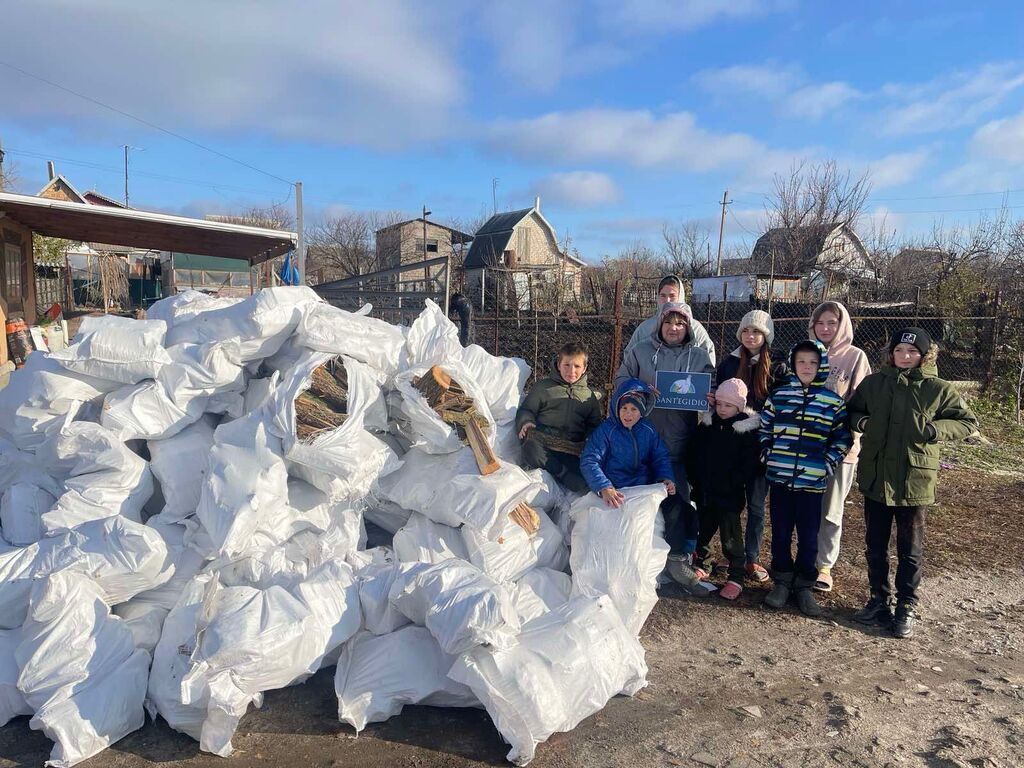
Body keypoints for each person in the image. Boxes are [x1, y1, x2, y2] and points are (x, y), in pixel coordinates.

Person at [848, 327, 978, 638]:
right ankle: (878, 600)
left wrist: (935, 430)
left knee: (910, 549)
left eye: (912, 352)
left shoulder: (937, 388)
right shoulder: (875, 384)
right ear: (891, 354)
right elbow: (852, 412)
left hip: (914, 481)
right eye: (899, 351)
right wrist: (864, 423)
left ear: (924, 356)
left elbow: (967, 422)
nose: (905, 356)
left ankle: (907, 605)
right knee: (874, 546)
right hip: (877, 478)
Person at [615, 302, 715, 587]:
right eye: (669, 322)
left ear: (688, 327)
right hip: (642, 441)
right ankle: (637, 557)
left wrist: (710, 397)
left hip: (678, 443)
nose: (674, 328)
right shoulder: (641, 351)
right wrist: (640, 388)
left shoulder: (698, 356)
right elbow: (621, 380)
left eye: (680, 323)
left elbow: (711, 386)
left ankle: (677, 560)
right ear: (660, 325)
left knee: (678, 502)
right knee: (637, 502)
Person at [760, 339, 852, 617]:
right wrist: (768, 455)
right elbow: (765, 428)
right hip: (780, 480)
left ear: (822, 365)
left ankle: (804, 585)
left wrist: (826, 464)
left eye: (813, 362)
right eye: (801, 361)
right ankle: (782, 581)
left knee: (809, 537)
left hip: (812, 483)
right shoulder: (779, 396)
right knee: (780, 533)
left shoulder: (832, 403)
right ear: (793, 364)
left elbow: (841, 439)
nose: (807, 367)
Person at [708, 309, 782, 584]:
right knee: (730, 503)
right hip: (732, 443)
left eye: (757, 332)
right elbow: (719, 397)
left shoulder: (776, 365)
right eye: (746, 331)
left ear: (766, 336)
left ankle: (752, 557)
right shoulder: (729, 363)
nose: (751, 336)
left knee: (756, 505)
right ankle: (732, 554)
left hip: (760, 442)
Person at [808, 301, 872, 593]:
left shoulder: (855, 358)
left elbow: (863, 403)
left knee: (831, 510)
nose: (825, 328)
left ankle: (824, 565)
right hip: (804, 445)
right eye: (820, 323)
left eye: (831, 323)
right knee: (804, 507)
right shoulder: (805, 352)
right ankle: (804, 558)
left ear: (842, 324)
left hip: (840, 448)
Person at [689, 378, 761, 600]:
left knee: (730, 536)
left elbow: (751, 463)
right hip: (705, 490)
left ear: (739, 407)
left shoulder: (745, 430)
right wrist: (695, 477)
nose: (722, 409)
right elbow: (694, 451)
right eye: (719, 404)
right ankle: (703, 563)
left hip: (730, 493)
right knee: (703, 529)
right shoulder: (707, 425)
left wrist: (735, 481)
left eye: (728, 405)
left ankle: (736, 574)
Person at [516, 341, 603, 493]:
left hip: (571, 449)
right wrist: (526, 422)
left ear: (584, 369)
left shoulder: (588, 396)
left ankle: (564, 473)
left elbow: (594, 424)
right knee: (530, 448)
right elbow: (527, 409)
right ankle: (563, 475)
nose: (571, 371)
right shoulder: (543, 387)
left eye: (577, 366)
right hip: (544, 443)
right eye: (567, 365)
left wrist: (590, 438)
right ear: (558, 364)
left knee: (589, 473)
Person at [579, 378, 676, 506]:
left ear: (642, 412)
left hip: (643, 488)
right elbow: (590, 460)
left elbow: (660, 457)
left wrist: (665, 478)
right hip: (615, 489)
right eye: (624, 408)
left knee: (675, 512)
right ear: (617, 408)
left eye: (634, 409)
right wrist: (603, 486)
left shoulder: (648, 430)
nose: (628, 414)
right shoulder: (607, 430)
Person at [625, 274, 716, 366]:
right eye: (663, 295)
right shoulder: (645, 328)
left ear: (680, 296)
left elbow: (708, 358)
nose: (667, 300)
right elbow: (629, 357)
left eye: (672, 296)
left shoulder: (695, 328)